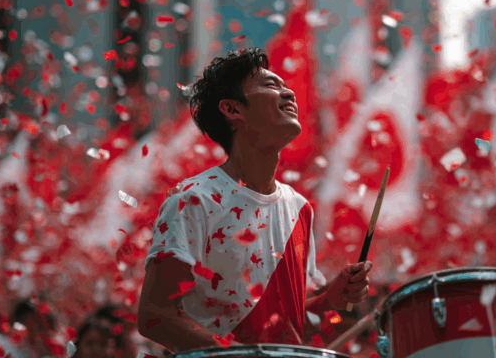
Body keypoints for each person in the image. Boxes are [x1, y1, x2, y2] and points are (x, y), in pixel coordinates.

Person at [137, 48, 373, 352]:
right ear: (233, 110)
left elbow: (283, 317)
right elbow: (156, 317)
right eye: (272, 86)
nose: (289, 93)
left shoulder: (300, 208)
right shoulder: (193, 200)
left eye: (285, 86)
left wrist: (330, 298)